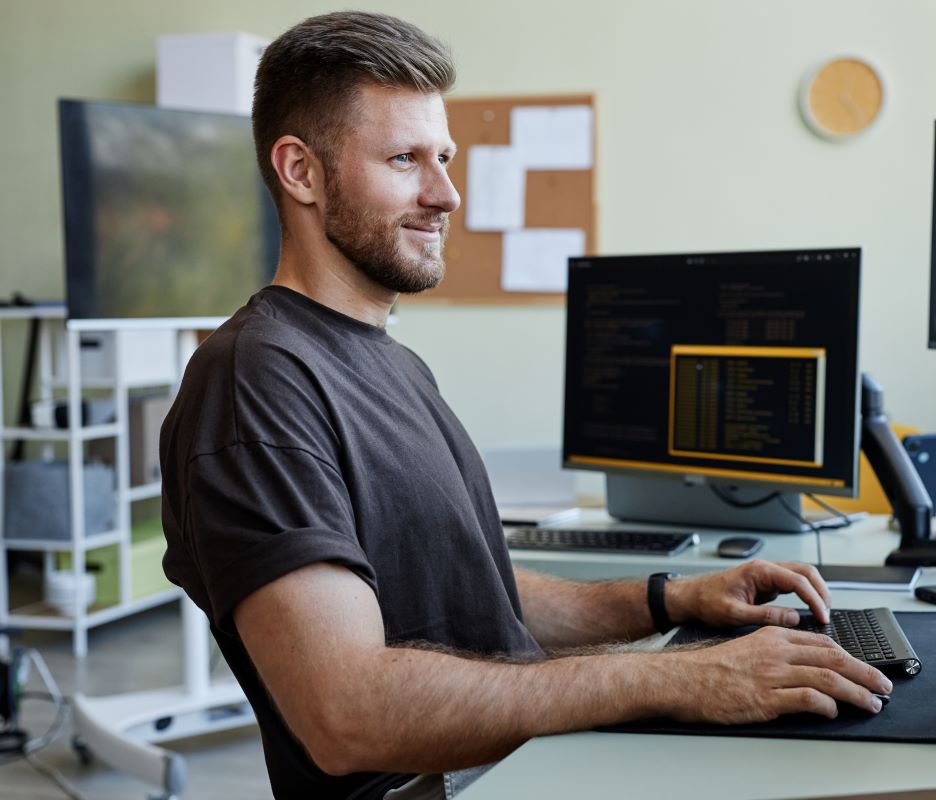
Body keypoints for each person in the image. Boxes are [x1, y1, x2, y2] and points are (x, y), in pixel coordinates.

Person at [160, 10, 892, 800]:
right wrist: (675, 678)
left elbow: (472, 593)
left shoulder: (392, 363)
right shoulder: (254, 383)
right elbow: (347, 715)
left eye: (443, 156)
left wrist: (669, 601)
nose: (446, 194)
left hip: (516, 765)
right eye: (404, 160)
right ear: (300, 172)